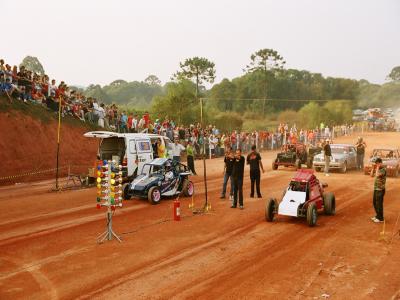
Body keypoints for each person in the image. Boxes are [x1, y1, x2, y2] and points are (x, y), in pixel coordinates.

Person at [370, 158, 386, 223]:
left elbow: (377, 175)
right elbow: (371, 175)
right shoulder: (377, 169)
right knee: (374, 203)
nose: (376, 165)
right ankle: (378, 216)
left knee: (379, 204)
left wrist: (377, 168)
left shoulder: (383, 170)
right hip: (376, 188)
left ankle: (381, 218)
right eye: (376, 164)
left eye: (377, 163)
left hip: (380, 189)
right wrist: (373, 168)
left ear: (380, 163)